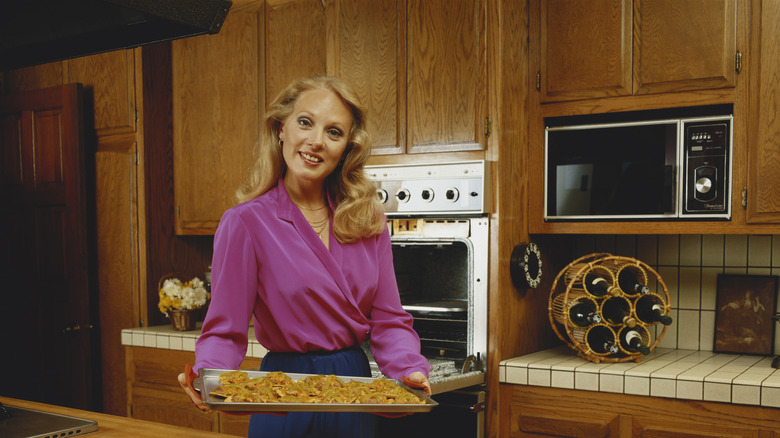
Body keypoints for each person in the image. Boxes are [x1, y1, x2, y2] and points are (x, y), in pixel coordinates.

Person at [177, 75, 431, 438]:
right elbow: (224, 330)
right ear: (282, 128)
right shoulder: (246, 222)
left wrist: (409, 368)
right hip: (284, 396)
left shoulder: (368, 218)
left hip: (352, 391)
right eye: (305, 122)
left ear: (346, 148)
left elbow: (389, 320)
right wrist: (207, 374)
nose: (315, 142)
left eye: (334, 132)